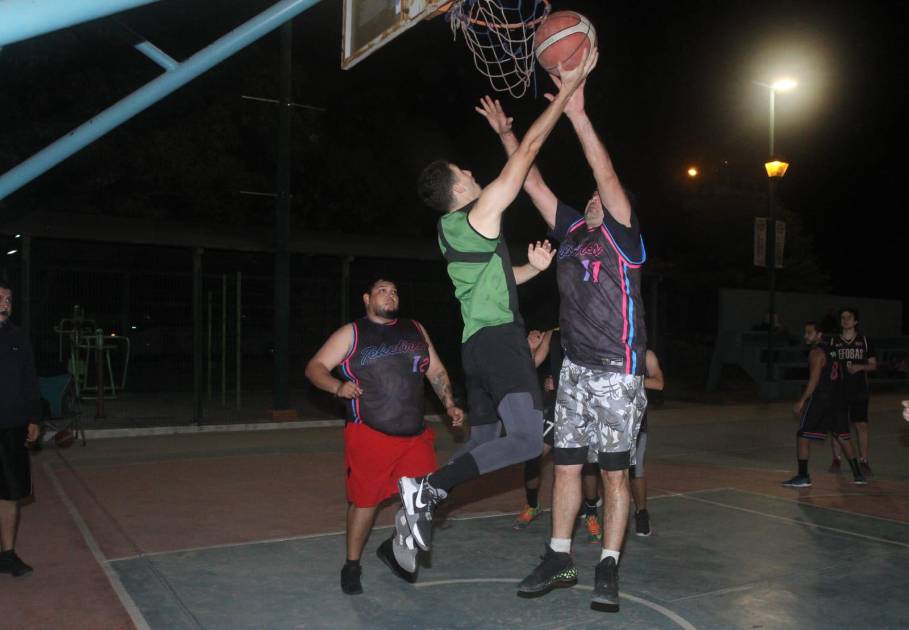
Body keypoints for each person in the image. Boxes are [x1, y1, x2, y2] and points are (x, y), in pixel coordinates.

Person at [401, 48, 598, 554]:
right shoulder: (477, 215)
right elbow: (527, 153)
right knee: (530, 441)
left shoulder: (451, 232)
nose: (471, 172)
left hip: (476, 348)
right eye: (463, 171)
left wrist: (532, 269)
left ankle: (411, 518)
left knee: (484, 445)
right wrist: (567, 91)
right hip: (498, 344)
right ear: (457, 188)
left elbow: (496, 278)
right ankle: (428, 488)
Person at [477, 77, 647, 611]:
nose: (594, 197)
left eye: (601, 197)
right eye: (591, 196)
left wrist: (577, 115)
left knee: (614, 472)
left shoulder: (623, 236)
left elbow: (606, 172)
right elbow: (532, 184)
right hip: (573, 369)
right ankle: (558, 556)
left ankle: (608, 566)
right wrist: (507, 135)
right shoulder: (572, 231)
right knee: (567, 464)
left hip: (617, 369)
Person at [304, 278, 464, 595]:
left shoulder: (415, 329)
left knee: (425, 501)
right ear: (367, 298)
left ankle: (393, 548)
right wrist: (337, 386)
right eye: (382, 290)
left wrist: (449, 403)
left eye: (394, 291)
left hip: (415, 434)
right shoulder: (352, 333)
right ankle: (352, 565)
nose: (390, 295)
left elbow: (435, 370)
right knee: (365, 503)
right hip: (370, 433)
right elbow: (315, 367)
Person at [513, 329, 604, 545]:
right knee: (533, 454)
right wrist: (530, 349)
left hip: (585, 407)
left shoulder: (593, 331)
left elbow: (601, 372)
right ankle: (533, 504)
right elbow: (528, 368)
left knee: (587, 464)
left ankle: (591, 512)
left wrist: (565, 383)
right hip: (557, 408)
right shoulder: (552, 335)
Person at [782, 322, 867, 488]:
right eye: (805, 332)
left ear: (819, 334)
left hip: (821, 399)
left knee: (803, 435)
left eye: (809, 333)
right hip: (838, 399)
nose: (806, 336)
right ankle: (858, 475)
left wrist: (802, 400)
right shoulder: (833, 350)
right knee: (842, 436)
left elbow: (814, 380)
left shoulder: (816, 353)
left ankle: (803, 476)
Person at [0, 281, 41, 577]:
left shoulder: (18, 337)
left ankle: (7, 555)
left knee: (10, 493)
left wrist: (34, 418)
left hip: (12, 428)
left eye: (8, 299)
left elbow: (29, 379)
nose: (5, 303)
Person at [827, 308, 876, 476]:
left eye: (849, 317)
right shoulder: (833, 341)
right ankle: (836, 459)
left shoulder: (864, 341)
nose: (845, 320)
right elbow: (828, 365)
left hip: (859, 390)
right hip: (838, 390)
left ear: (856, 321)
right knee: (838, 427)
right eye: (843, 317)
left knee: (861, 425)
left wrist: (859, 367)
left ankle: (864, 461)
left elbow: (873, 365)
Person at [630, 349, 664, 537]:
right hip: (608, 419)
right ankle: (591, 506)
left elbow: (659, 383)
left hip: (637, 422)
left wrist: (633, 380)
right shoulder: (608, 347)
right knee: (604, 470)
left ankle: (641, 513)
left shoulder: (646, 354)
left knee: (636, 470)